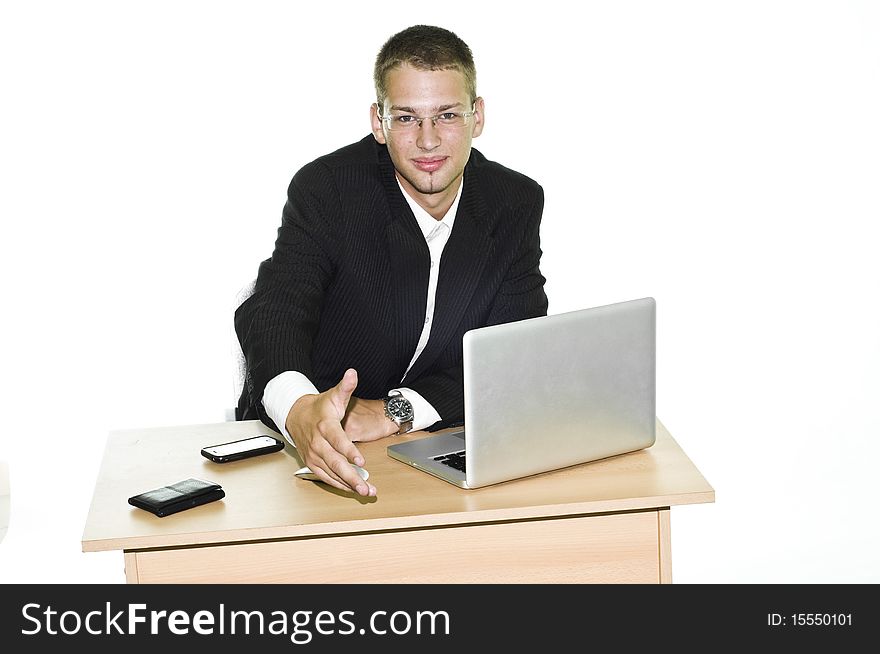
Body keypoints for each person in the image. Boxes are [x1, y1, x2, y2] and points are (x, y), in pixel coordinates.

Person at [235, 25, 548, 497]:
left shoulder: (514, 201)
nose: (427, 141)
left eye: (446, 115)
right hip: (312, 449)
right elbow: (276, 310)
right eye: (405, 118)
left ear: (477, 116)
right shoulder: (328, 190)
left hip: (431, 441)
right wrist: (299, 410)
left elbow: (510, 352)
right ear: (378, 122)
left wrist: (394, 410)